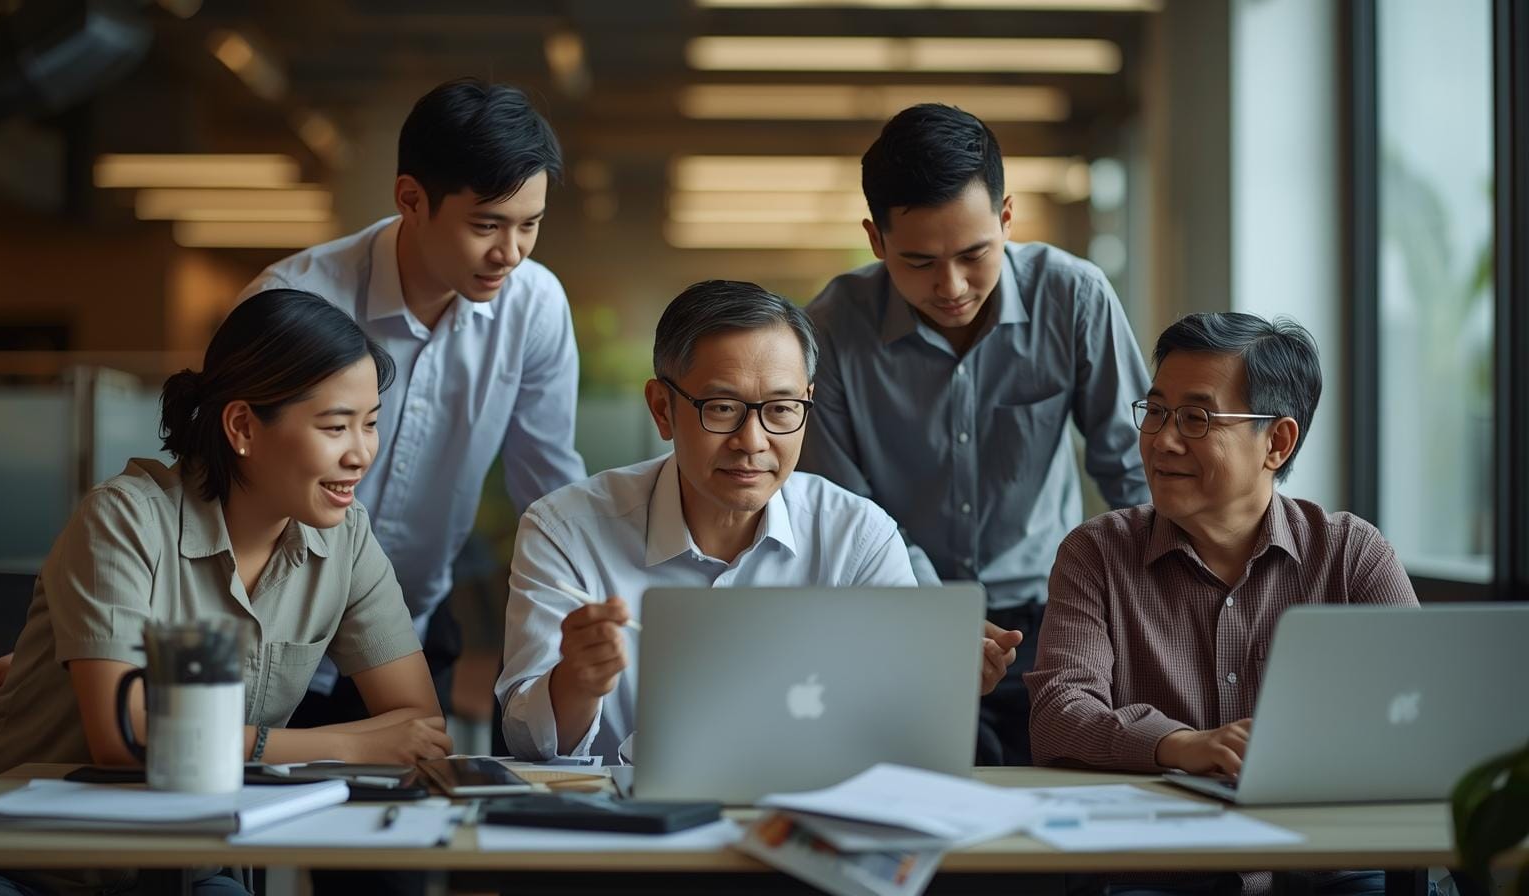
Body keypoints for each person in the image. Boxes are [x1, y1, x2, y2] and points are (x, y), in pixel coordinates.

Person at [0, 289, 451, 895]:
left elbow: (420, 725)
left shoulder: (347, 538)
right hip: (5, 854)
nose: (361, 453)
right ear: (242, 427)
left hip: (180, 863)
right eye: (336, 426)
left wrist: (216, 738)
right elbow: (128, 738)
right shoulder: (125, 518)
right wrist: (351, 745)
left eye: (371, 423)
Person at [496, 280, 1021, 760]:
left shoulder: (857, 535)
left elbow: (900, 733)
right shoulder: (565, 531)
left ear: (807, 405)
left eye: (781, 408)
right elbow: (525, 742)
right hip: (631, 843)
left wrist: (939, 684)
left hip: (807, 830)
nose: (752, 442)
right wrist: (577, 683)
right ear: (661, 409)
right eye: (722, 408)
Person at [798, 103, 1150, 766]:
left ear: (1007, 218)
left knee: (1062, 817)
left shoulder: (1073, 297)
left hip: (1056, 613)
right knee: (926, 814)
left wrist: (1148, 609)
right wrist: (935, 615)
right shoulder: (831, 330)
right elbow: (846, 509)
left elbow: (1133, 471)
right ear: (876, 241)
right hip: (902, 610)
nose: (951, 285)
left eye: (973, 254)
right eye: (919, 261)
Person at [236, 77, 586, 732]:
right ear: (411, 199)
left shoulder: (533, 306)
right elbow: (219, 493)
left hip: (414, 631)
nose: (509, 253)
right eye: (486, 225)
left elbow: (549, 490)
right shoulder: (294, 304)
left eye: (529, 225)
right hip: (273, 639)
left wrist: (593, 620)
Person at [1026, 312, 1418, 896]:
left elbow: (1424, 714)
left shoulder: (1349, 555)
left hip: (1328, 864)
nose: (1162, 440)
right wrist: (1178, 745)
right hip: (1163, 870)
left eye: (1196, 418)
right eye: (1155, 411)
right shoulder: (1097, 552)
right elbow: (1058, 713)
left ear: (1276, 443)